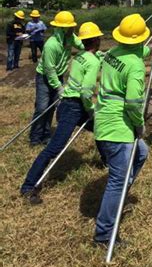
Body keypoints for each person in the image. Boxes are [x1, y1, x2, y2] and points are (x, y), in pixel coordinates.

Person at [20, 22, 104, 204]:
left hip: (70, 104)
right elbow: (86, 92)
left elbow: (95, 57)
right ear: (96, 39)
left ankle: (105, 160)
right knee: (54, 148)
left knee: (100, 128)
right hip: (74, 107)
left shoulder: (80, 56)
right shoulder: (91, 60)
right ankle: (28, 186)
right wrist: (91, 109)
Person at [93, 14, 151, 246]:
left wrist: (151, 48)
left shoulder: (112, 54)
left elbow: (136, 51)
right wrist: (139, 125)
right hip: (119, 127)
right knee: (118, 179)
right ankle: (104, 234)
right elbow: (134, 103)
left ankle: (117, 198)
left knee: (142, 153)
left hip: (103, 120)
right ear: (138, 40)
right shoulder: (135, 65)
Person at [30, 11, 84, 146]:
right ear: (63, 28)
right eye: (71, 26)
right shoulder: (51, 45)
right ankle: (35, 137)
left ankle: (46, 135)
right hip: (45, 77)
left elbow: (82, 46)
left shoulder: (70, 37)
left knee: (52, 107)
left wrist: (93, 50)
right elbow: (49, 70)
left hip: (58, 76)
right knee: (42, 108)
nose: (73, 28)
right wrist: (58, 87)